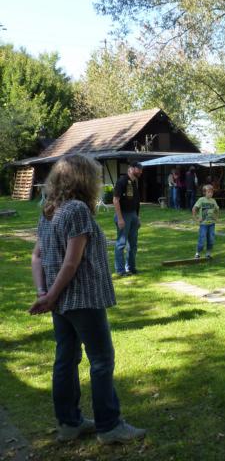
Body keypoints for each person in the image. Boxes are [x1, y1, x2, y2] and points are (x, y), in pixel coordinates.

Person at [29, 154, 146, 445]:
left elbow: (37, 257)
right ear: (84, 179)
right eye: (94, 176)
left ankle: (69, 424)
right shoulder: (78, 209)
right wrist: (50, 295)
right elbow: (71, 263)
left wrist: (44, 294)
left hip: (59, 301)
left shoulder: (49, 210)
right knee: (102, 360)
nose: (98, 181)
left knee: (66, 359)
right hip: (83, 298)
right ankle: (109, 426)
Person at [113, 161, 143, 276]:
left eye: (141, 169)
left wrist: (137, 217)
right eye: (138, 169)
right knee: (121, 243)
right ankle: (120, 270)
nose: (140, 171)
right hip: (123, 215)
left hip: (133, 215)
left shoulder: (134, 182)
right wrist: (120, 218)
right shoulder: (122, 181)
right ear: (130, 169)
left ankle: (131, 267)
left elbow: (136, 201)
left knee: (133, 244)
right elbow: (115, 200)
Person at [192, 184, 220, 259]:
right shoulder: (201, 200)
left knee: (211, 239)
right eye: (208, 192)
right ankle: (197, 253)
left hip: (211, 224)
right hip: (203, 224)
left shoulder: (213, 201)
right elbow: (194, 209)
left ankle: (208, 253)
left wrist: (216, 217)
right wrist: (196, 218)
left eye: (211, 192)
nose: (210, 194)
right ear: (204, 193)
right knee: (202, 238)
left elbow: (217, 209)